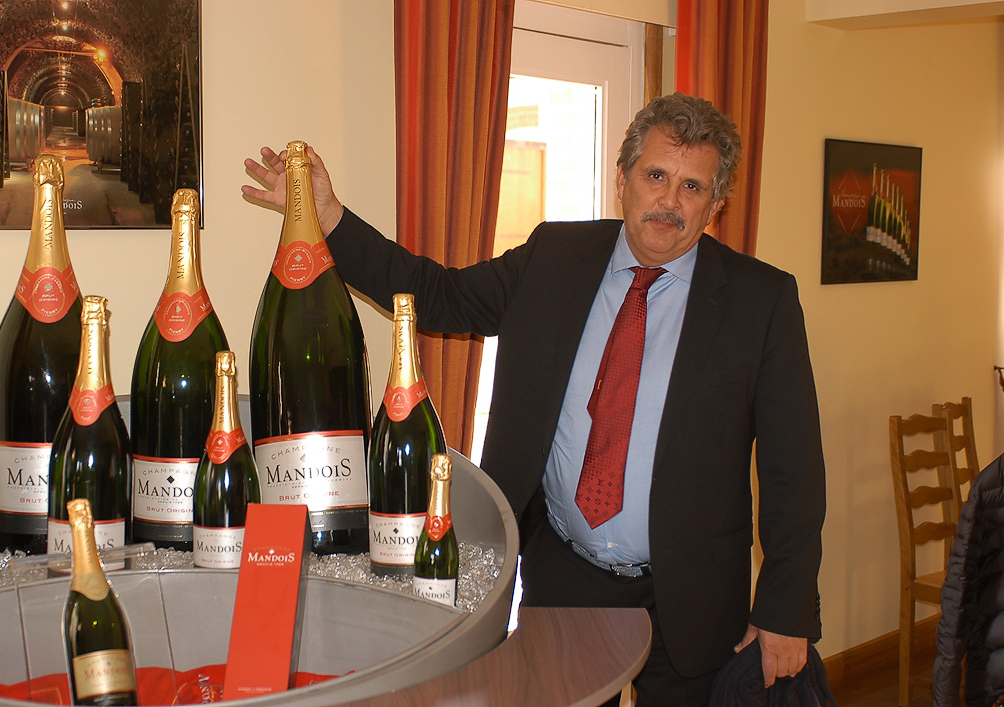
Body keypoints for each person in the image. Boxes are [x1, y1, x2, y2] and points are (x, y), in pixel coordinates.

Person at [243, 92, 825, 705]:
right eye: (656, 176)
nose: (669, 202)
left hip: (695, 595)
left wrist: (785, 609)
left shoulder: (761, 302)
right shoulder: (555, 258)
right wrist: (329, 216)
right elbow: (436, 294)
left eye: (692, 187)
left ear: (716, 204)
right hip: (566, 580)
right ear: (623, 178)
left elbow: (794, 470)